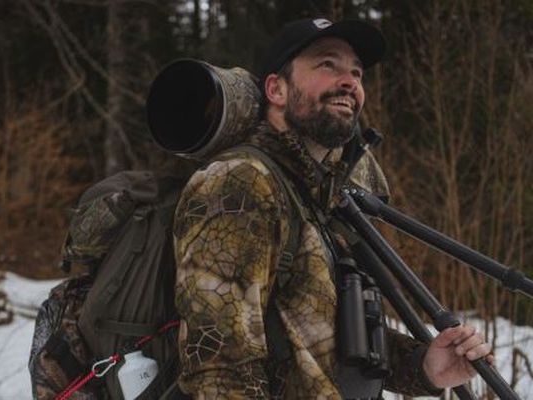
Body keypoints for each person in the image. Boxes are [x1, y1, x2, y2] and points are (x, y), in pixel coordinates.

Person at [172, 18, 493, 398]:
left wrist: (424, 367)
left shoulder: (320, 199)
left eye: (356, 73)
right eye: (328, 65)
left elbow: (322, 341)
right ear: (276, 89)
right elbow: (218, 363)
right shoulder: (242, 183)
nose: (350, 82)